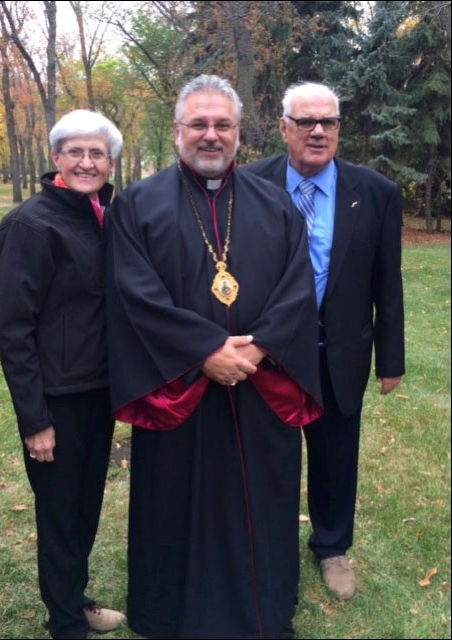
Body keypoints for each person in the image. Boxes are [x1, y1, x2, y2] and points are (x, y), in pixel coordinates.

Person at [106, 74, 324, 640]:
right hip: (179, 389)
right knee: (175, 506)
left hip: (257, 386)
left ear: (238, 134)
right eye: (198, 124)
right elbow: (134, 294)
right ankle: (172, 615)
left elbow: (298, 288)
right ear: (178, 130)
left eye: (222, 124)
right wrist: (204, 349)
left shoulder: (275, 205)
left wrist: (254, 349)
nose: (210, 135)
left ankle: (262, 612)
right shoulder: (139, 203)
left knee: (260, 504)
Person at [245, 82, 405, 599]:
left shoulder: (375, 191)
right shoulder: (249, 183)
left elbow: (388, 279)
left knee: (337, 453)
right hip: (270, 354)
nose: (319, 131)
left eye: (329, 122)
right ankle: (264, 541)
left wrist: (391, 358)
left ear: (339, 128)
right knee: (267, 452)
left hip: (341, 352)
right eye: (307, 121)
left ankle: (332, 547)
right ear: (284, 126)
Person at [0, 109, 126, 639]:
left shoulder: (102, 215)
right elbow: (16, 331)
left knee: (85, 510)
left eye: (97, 153)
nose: (87, 161)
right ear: (56, 158)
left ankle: (75, 599)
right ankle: (66, 623)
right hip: (57, 400)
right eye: (75, 151)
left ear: (110, 161)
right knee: (59, 516)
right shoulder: (31, 225)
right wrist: (35, 419)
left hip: (99, 392)